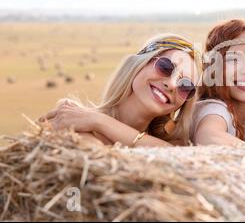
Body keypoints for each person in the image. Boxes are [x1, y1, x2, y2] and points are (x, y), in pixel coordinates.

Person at [40, 34, 202, 147]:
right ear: (140, 63)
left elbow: (171, 155)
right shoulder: (73, 121)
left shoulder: (175, 144)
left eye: (185, 86)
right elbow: (97, 160)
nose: (173, 85)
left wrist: (99, 122)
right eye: (165, 67)